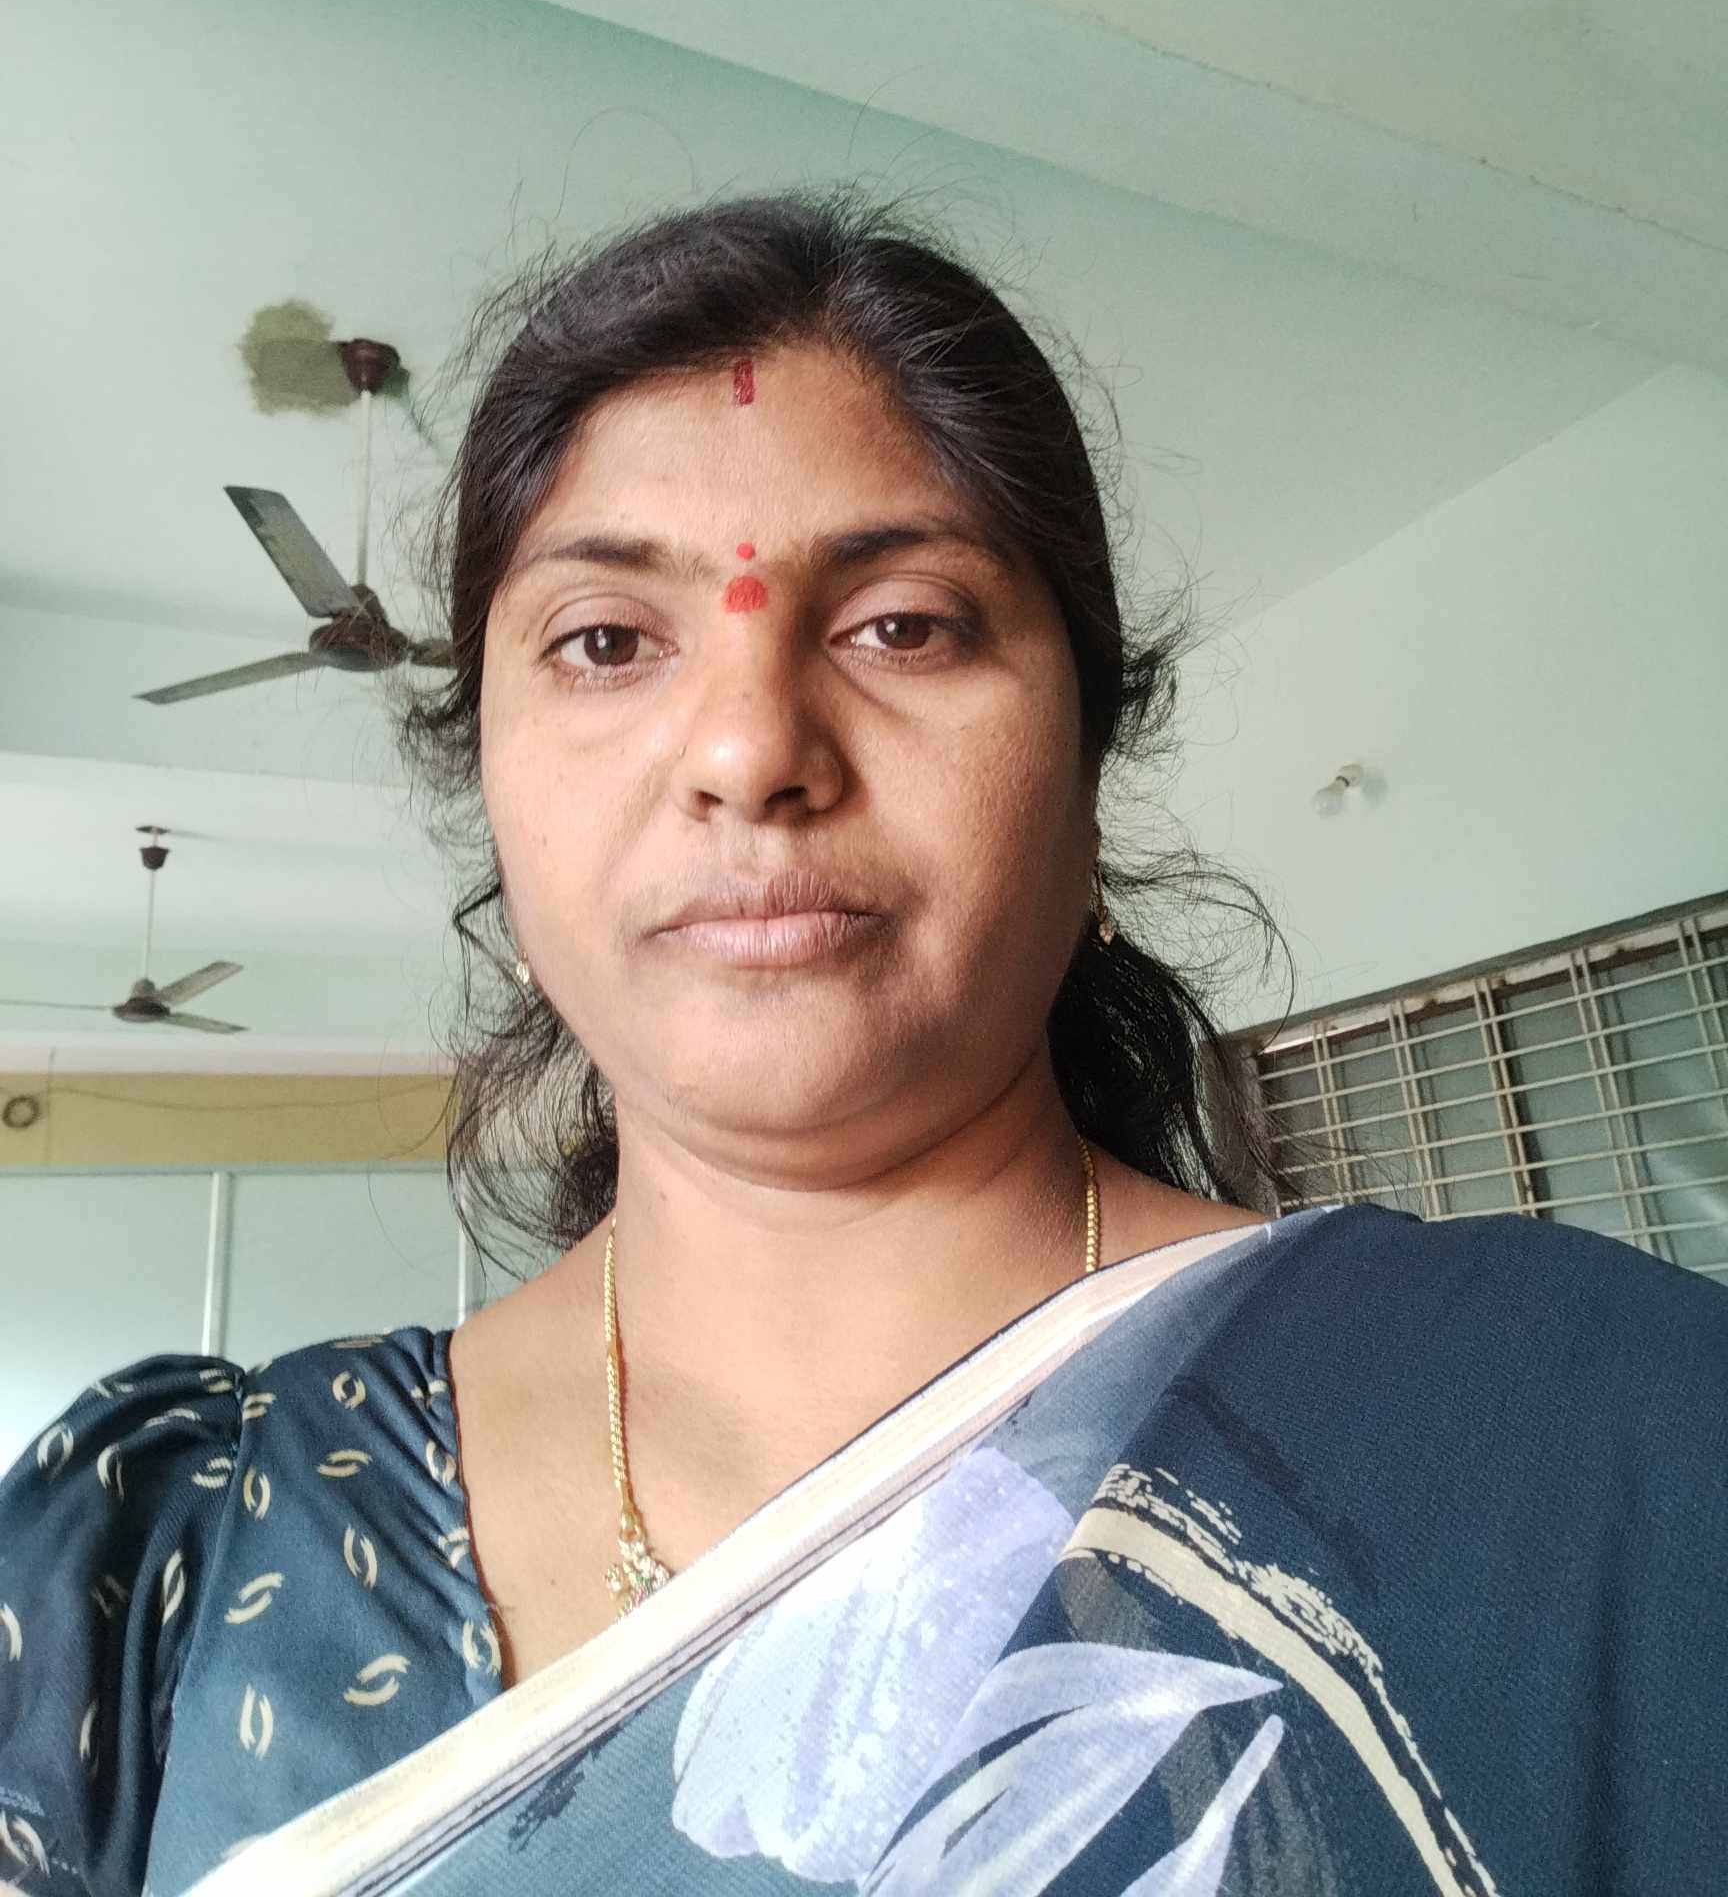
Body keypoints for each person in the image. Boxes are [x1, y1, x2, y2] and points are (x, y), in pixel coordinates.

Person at [2, 192, 1724, 1897]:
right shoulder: (167, 1564)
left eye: (904, 623)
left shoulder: (1603, 1443)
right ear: (493, 801)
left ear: (1087, 764)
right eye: (606, 641)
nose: (751, 749)